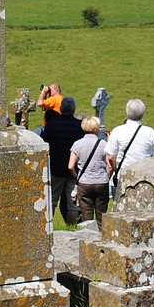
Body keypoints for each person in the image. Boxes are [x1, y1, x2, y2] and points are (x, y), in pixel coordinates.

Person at [39, 96, 84, 224]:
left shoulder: (51, 125)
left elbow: (46, 146)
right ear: (73, 109)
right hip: (73, 168)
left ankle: (49, 225)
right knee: (73, 201)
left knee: (52, 199)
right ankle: (72, 225)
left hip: (56, 167)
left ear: (61, 108)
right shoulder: (79, 126)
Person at [104, 98, 154, 193]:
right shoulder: (150, 132)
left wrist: (116, 169)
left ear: (127, 112)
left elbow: (111, 157)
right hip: (144, 177)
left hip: (123, 175)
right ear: (142, 113)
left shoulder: (117, 131)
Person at [67, 116, 110, 226]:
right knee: (102, 216)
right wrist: (107, 176)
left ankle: (88, 238)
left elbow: (71, 166)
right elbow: (110, 165)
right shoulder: (104, 144)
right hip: (101, 182)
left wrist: (77, 176)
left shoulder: (77, 144)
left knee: (87, 217)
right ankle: (102, 237)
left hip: (84, 182)